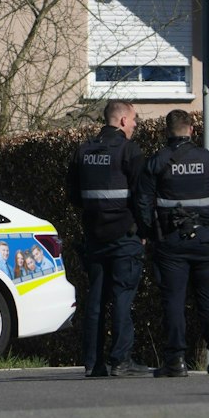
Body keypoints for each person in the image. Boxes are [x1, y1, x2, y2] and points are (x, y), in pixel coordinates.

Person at [143, 109, 209, 378]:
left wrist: (149, 232)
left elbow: (143, 202)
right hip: (205, 238)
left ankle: (176, 361)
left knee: (174, 300)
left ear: (167, 131)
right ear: (191, 129)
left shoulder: (157, 161)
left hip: (171, 240)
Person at [68, 99, 151, 377]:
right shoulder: (129, 151)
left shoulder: (84, 151)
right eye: (135, 119)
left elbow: (73, 196)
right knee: (122, 297)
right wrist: (144, 231)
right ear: (123, 121)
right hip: (124, 237)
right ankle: (121, 360)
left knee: (95, 300)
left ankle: (93, 363)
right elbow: (142, 197)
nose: (136, 125)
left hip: (94, 236)